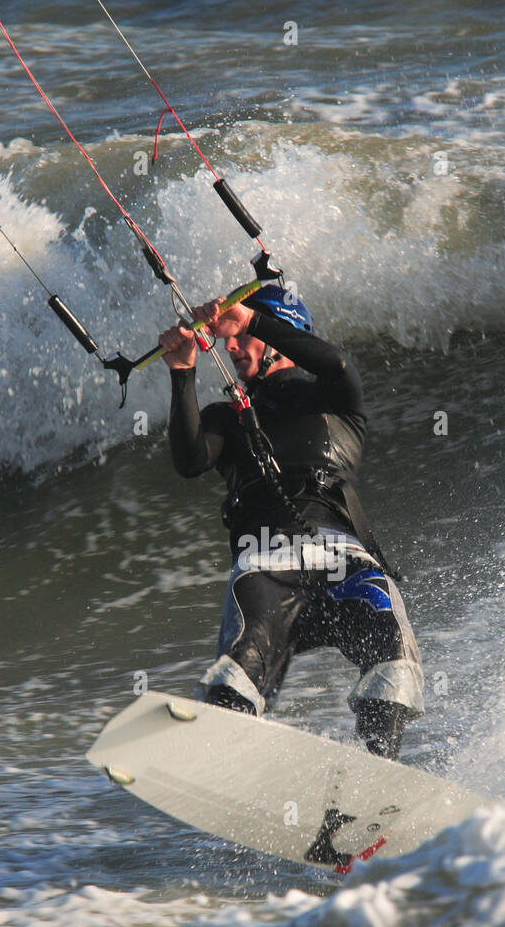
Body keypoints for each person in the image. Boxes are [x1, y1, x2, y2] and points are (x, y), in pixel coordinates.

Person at [158, 285, 424, 760]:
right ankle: (236, 769)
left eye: (242, 337)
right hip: (266, 562)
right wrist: (182, 373)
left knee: (394, 664)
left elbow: (337, 363)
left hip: (344, 559)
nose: (231, 347)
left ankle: (376, 774)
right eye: (230, 339)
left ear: (280, 333)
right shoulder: (228, 418)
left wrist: (251, 319)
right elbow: (189, 458)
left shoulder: (335, 401)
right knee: (236, 675)